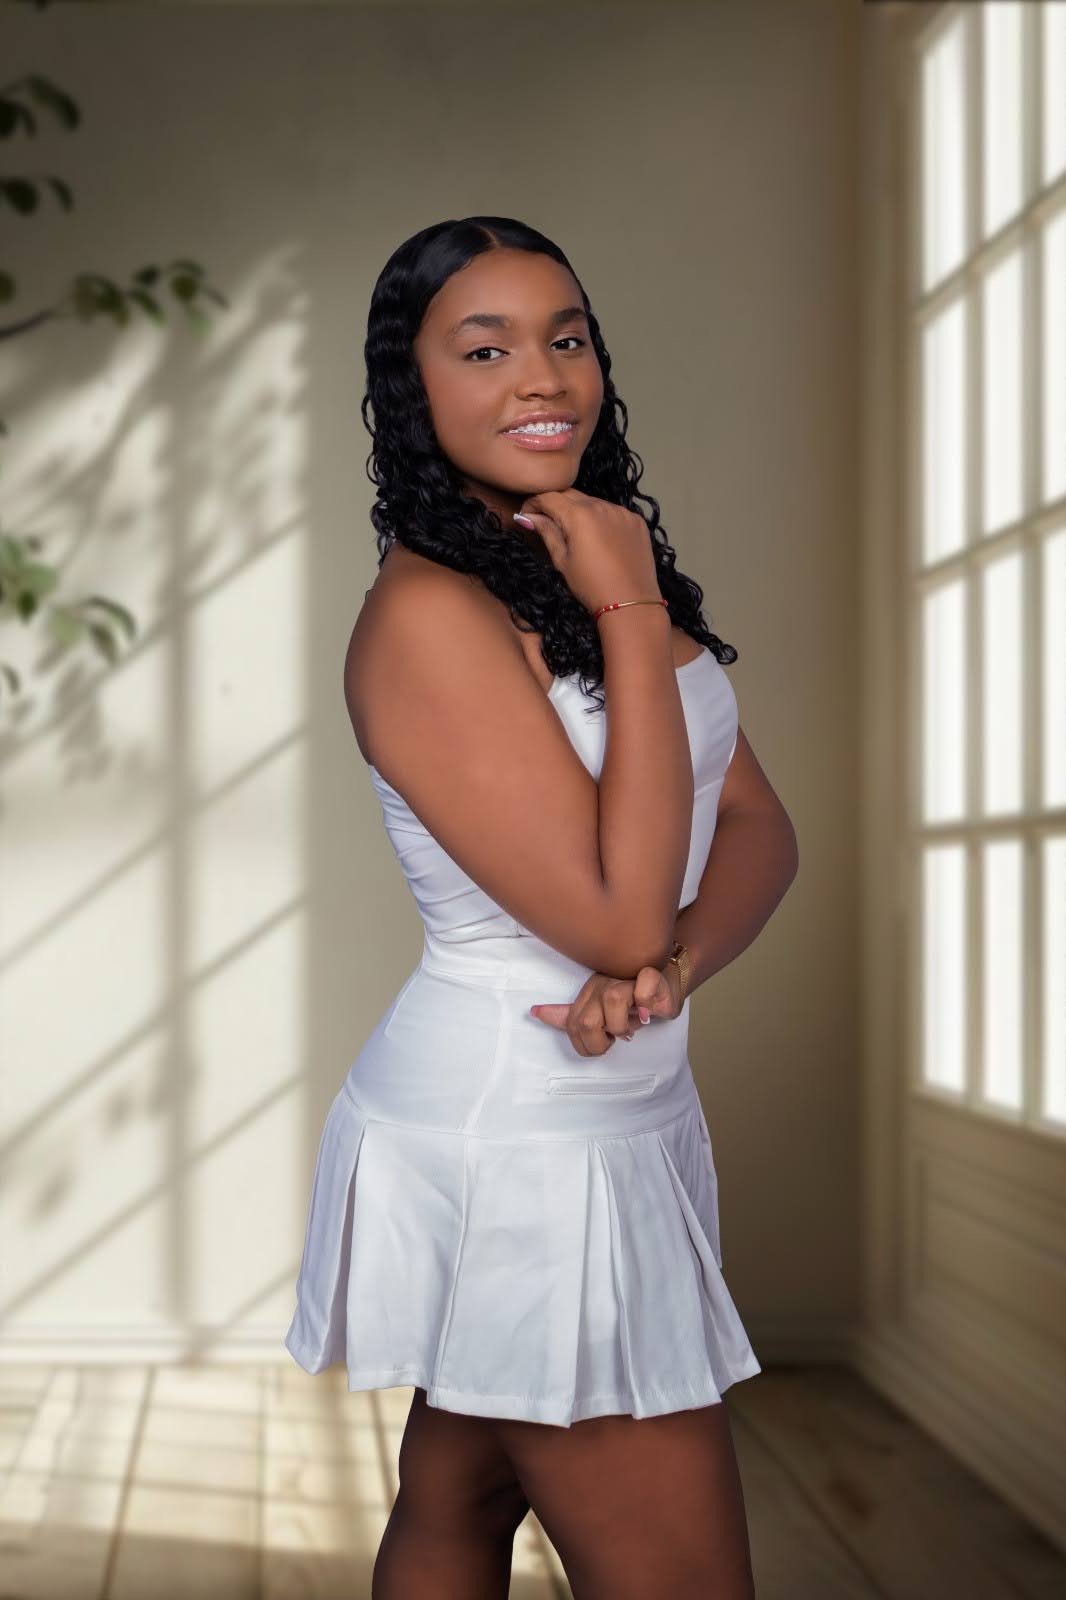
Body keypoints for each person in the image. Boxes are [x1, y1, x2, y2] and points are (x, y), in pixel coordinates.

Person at [284, 215, 799, 1599]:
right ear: (412, 387)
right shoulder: (433, 615)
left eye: (565, 337)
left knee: (458, 1499)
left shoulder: (569, 564)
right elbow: (615, 921)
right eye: (485, 347)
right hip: (522, 1137)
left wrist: (677, 966)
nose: (542, 376)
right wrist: (628, 610)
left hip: (616, 1105)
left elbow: (754, 823)